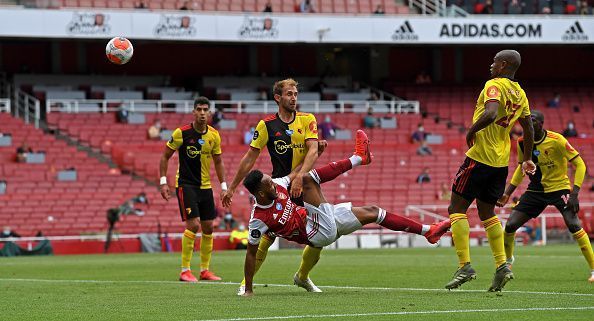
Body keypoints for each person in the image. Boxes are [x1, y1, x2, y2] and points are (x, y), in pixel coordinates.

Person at [240, 131, 451, 296]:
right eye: (269, 184)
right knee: (306, 180)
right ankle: (358, 157)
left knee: (373, 212)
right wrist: (248, 288)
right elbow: (251, 253)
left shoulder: (276, 185)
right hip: (315, 232)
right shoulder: (259, 219)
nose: (274, 185)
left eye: (271, 180)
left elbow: (294, 173)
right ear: (260, 192)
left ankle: (427, 232)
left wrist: (317, 154)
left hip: (320, 219)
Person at [222, 78, 327, 295]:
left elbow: (313, 150)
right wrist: (232, 187)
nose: (294, 98)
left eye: (296, 94)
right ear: (278, 98)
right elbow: (250, 158)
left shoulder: (308, 119)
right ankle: (245, 284)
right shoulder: (267, 126)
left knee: (320, 236)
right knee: (266, 238)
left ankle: (303, 277)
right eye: (289, 94)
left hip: (304, 185)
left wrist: (300, 177)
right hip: (278, 187)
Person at [445, 50, 536, 292]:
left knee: (456, 209)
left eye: (495, 61)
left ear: (503, 64)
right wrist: (526, 159)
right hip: (500, 163)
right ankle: (502, 265)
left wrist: (471, 131)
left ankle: (464, 265)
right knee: (487, 213)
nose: (491, 65)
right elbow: (528, 128)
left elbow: (491, 112)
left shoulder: (494, 85)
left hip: (479, 157)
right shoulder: (521, 94)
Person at [496, 110, 593, 283]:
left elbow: (580, 164)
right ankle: (508, 262)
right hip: (536, 190)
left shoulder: (557, 140)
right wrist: (507, 193)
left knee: (573, 225)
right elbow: (522, 168)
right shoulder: (521, 142)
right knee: (510, 225)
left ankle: (593, 269)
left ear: (541, 124)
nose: (528, 123)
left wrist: (575, 193)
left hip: (559, 188)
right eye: (526, 121)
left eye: (532, 120)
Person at [159, 97, 228, 282]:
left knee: (208, 227)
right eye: (199, 109)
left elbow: (219, 162)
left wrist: (223, 187)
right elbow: (165, 157)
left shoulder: (214, 135)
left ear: (210, 112)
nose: (203, 113)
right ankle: (185, 270)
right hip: (186, 185)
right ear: (194, 112)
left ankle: (205, 270)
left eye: (206, 109)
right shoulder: (182, 133)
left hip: (206, 187)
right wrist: (163, 182)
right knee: (193, 224)